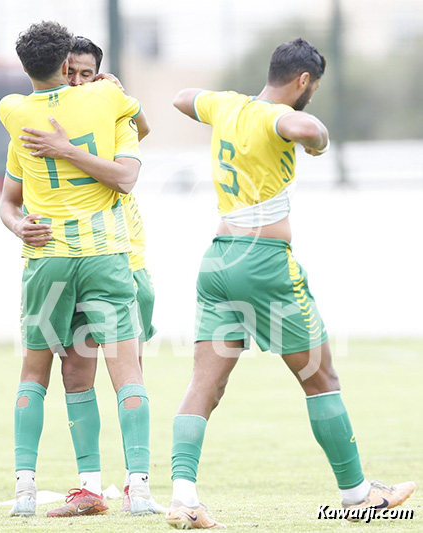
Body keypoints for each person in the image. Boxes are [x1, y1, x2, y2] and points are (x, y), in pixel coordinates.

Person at [165, 38, 416, 529]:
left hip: (218, 261)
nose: (312, 95)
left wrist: (225, 111)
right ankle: (357, 495)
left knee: (204, 385)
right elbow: (303, 127)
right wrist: (319, 139)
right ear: (303, 81)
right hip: (265, 265)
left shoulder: (227, 105)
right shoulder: (276, 116)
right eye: (313, 88)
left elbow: (181, 97)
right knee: (321, 378)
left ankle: (184, 498)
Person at [0, 21, 161, 518]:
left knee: (40, 371)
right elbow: (9, 202)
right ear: (67, 65)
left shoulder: (14, 112)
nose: (82, 79)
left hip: (71, 261)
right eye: (76, 71)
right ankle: (122, 486)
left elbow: (130, 158)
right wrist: (17, 224)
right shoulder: (110, 100)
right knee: (103, 372)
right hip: (102, 256)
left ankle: (28, 487)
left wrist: (66, 148)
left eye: (90, 73)